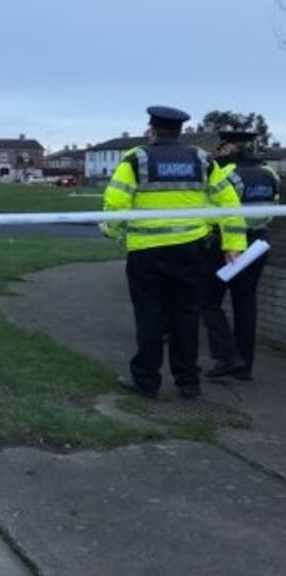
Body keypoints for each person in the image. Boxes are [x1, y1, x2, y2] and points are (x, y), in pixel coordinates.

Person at [102, 106, 246, 400]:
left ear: (152, 129)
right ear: (180, 131)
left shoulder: (136, 159)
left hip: (147, 254)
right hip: (190, 252)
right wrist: (233, 244)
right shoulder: (202, 159)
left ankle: (146, 381)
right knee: (187, 316)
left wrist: (112, 232)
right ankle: (188, 382)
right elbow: (228, 202)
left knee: (150, 315)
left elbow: (116, 205)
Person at [201, 131, 281, 381]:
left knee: (209, 301)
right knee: (246, 304)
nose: (219, 153)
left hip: (227, 244)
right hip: (259, 242)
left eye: (221, 148)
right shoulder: (270, 173)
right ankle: (245, 365)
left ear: (229, 148)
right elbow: (274, 204)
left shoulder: (227, 173)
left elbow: (213, 209)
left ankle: (227, 358)